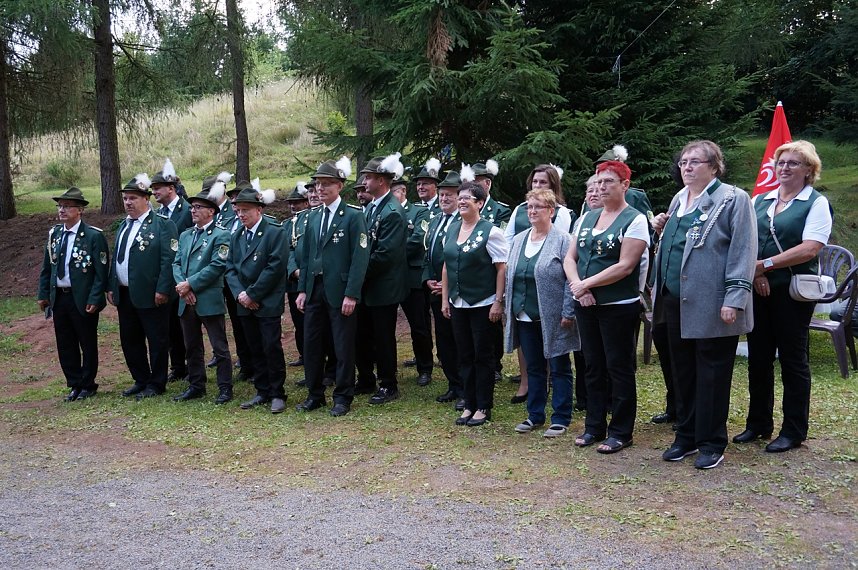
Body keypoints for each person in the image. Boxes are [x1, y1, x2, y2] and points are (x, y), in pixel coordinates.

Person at [651, 140, 756, 470]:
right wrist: (661, 231)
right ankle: (686, 435)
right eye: (683, 162)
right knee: (682, 371)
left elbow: (742, 250)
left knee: (711, 372)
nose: (687, 168)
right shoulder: (679, 199)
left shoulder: (733, 199)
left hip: (712, 302)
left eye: (695, 162)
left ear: (715, 166)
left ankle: (711, 441)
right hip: (674, 300)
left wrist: (735, 297)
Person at [737, 140, 832, 453]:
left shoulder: (815, 203)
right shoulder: (761, 200)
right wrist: (758, 273)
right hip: (760, 287)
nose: (785, 168)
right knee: (759, 358)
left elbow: (811, 247)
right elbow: (748, 239)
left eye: (794, 163)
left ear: (809, 170)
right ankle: (758, 424)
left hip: (792, 293)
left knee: (792, 360)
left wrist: (765, 265)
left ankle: (793, 430)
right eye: (781, 162)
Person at [564, 160, 650, 454]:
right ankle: (594, 426)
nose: (601, 188)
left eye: (608, 182)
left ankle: (621, 431)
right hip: (586, 303)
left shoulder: (635, 219)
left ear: (624, 185)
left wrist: (587, 284)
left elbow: (625, 266)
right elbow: (569, 257)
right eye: (598, 182)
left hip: (617, 306)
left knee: (619, 367)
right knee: (592, 366)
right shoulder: (587, 217)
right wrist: (579, 286)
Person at [296, 157, 369, 417]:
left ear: (340, 186)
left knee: (342, 345)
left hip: (340, 291)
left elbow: (360, 258)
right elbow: (306, 256)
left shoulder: (352, 216)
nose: (321, 189)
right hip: (315, 288)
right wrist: (303, 289)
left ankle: (343, 396)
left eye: (327, 184)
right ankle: (315, 394)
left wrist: (351, 294)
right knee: (312, 343)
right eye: (318, 185)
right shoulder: (312, 218)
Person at [506, 188, 578, 438]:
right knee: (534, 366)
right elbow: (511, 277)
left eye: (538, 207)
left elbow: (571, 279)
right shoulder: (518, 240)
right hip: (524, 315)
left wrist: (568, 311)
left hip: (554, 316)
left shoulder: (562, 240)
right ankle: (535, 415)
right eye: (529, 207)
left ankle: (561, 417)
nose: (533, 211)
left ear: (551, 210)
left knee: (559, 367)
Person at [441, 180, 508, 427]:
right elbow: (447, 265)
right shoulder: (452, 228)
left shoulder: (491, 231)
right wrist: (446, 299)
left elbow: (501, 268)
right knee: (465, 355)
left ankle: (483, 405)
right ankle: (468, 403)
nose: (461, 201)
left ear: (480, 203)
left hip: (483, 302)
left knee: (483, 355)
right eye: (460, 197)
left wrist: (497, 302)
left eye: (467, 197)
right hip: (458, 302)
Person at [108, 174, 178, 400]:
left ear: (146, 200)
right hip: (125, 292)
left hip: (151, 293)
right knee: (130, 339)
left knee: (157, 340)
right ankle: (141, 379)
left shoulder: (162, 224)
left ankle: (157, 383)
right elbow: (116, 258)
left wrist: (163, 289)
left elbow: (169, 260)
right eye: (126, 199)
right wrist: (112, 285)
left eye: (133, 198)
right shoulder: (124, 225)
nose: (128, 202)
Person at [37, 187, 109, 402]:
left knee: (86, 341)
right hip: (60, 296)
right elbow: (47, 268)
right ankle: (74, 383)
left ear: (80, 210)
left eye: (67, 206)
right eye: (60, 206)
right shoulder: (55, 235)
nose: (62, 210)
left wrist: (95, 298)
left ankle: (88, 384)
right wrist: (43, 294)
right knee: (65, 342)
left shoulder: (93, 236)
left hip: (82, 298)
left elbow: (100, 271)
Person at [225, 182, 289, 414]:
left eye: (246, 210)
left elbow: (275, 267)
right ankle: (262, 390)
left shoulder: (275, 232)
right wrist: (241, 295)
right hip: (244, 302)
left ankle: (277, 393)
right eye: (238, 210)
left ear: (259, 210)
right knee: (254, 347)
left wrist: (253, 294)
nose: (241, 215)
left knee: (271, 346)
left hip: (266, 301)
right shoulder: (237, 236)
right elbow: (230, 268)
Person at [171, 184, 233, 404]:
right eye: (192, 208)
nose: (193, 211)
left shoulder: (221, 235)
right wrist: (182, 286)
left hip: (208, 298)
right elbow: (176, 263)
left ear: (211, 212)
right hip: (185, 299)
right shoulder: (186, 235)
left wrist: (190, 285)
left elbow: (217, 265)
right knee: (192, 346)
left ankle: (225, 387)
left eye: (198, 207)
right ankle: (196, 385)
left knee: (219, 346)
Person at [355, 154, 409, 404]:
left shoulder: (392, 212)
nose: (364, 182)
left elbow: (385, 255)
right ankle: (366, 379)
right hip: (367, 285)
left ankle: (389, 383)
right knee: (363, 334)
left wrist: (357, 274)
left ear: (381, 180)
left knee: (383, 337)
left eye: (368, 177)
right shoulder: (371, 208)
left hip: (382, 286)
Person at [462, 160, 510, 383]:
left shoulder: (500, 210)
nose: (471, 186)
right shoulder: (463, 212)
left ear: (487, 184)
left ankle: (495, 363)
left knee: (491, 326)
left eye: (476, 182)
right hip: (470, 275)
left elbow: (503, 245)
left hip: (489, 275)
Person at [423, 171, 464, 409]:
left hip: (456, 291)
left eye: (449, 195)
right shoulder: (437, 219)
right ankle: (453, 383)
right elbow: (428, 251)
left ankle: (464, 388)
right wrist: (428, 278)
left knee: (459, 341)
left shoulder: (465, 221)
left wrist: (448, 286)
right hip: (435, 289)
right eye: (441, 194)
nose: (444, 199)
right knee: (444, 340)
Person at [151, 159, 193, 383]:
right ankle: (177, 366)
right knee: (169, 327)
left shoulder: (187, 211)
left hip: (184, 277)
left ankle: (191, 365)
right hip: (164, 276)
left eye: (157, 188)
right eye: (152, 189)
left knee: (186, 325)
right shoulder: (156, 215)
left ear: (171, 188)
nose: (154, 192)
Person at [392, 177, 434, 386]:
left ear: (402, 192)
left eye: (394, 192)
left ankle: (425, 367)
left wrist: (390, 255)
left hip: (411, 277)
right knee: (386, 326)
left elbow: (418, 239)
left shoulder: (418, 212)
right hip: (389, 278)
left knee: (419, 325)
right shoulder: (383, 211)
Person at [284, 182, 310, 368]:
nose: (293, 206)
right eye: (291, 203)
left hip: (311, 278)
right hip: (294, 281)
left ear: (306, 202)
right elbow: (286, 250)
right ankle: (304, 355)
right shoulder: (287, 224)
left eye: (297, 202)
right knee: (298, 322)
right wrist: (294, 270)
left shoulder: (312, 219)